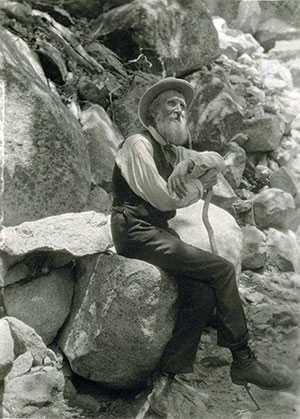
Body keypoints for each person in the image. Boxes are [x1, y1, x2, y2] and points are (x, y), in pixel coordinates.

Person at [110, 77, 292, 417]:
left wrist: (190, 164)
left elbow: (217, 160)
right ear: (153, 113)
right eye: (170, 104)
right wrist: (199, 183)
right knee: (221, 269)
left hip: (156, 231)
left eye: (182, 105)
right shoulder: (138, 144)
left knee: (203, 294)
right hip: (134, 230)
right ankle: (243, 360)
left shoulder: (172, 149)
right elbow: (163, 197)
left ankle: (169, 373)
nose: (179, 109)